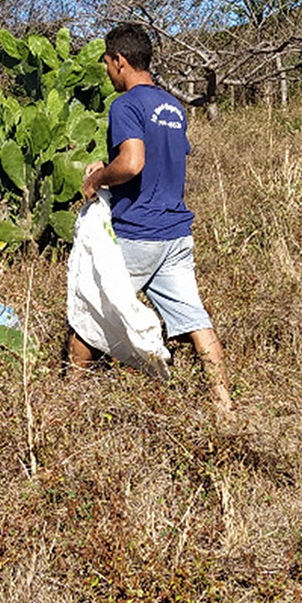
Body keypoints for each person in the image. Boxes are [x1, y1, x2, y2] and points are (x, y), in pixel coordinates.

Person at [67, 23, 234, 418]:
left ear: (119, 60)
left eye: (108, 63)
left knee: (88, 313)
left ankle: (67, 406)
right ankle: (224, 405)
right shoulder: (172, 106)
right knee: (195, 320)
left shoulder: (125, 105)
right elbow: (161, 161)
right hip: (176, 232)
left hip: (138, 234)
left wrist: (96, 178)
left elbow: (133, 162)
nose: (108, 71)